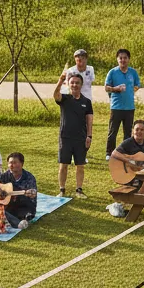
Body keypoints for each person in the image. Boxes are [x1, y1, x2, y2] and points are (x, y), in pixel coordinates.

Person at [53, 69, 93, 197]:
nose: (75, 85)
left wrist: (89, 136)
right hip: (65, 138)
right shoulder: (64, 99)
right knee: (63, 165)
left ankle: (79, 190)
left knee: (80, 166)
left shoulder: (86, 102)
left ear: (81, 85)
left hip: (80, 138)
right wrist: (60, 81)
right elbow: (55, 95)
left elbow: (89, 120)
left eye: (77, 83)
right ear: (69, 84)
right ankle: (62, 190)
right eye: (72, 83)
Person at [104, 49, 141, 158]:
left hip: (129, 107)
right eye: (120, 58)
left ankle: (126, 152)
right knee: (113, 131)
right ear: (117, 59)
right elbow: (106, 88)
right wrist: (115, 89)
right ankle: (109, 153)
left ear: (128, 59)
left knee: (128, 132)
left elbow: (138, 84)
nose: (123, 60)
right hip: (116, 107)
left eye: (125, 58)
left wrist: (133, 89)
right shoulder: (112, 72)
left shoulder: (133, 72)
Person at [0, 153, 38, 230]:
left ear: (22, 164)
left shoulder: (29, 177)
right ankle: (17, 223)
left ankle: (10, 220)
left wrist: (30, 193)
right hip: (8, 205)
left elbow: (33, 195)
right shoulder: (3, 175)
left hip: (24, 205)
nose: (11, 165)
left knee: (25, 215)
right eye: (10, 163)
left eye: (14, 163)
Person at [111, 119, 144, 187]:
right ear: (133, 131)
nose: (139, 132)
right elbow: (114, 153)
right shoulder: (128, 142)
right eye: (137, 129)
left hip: (142, 173)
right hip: (129, 175)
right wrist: (129, 161)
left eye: (142, 130)